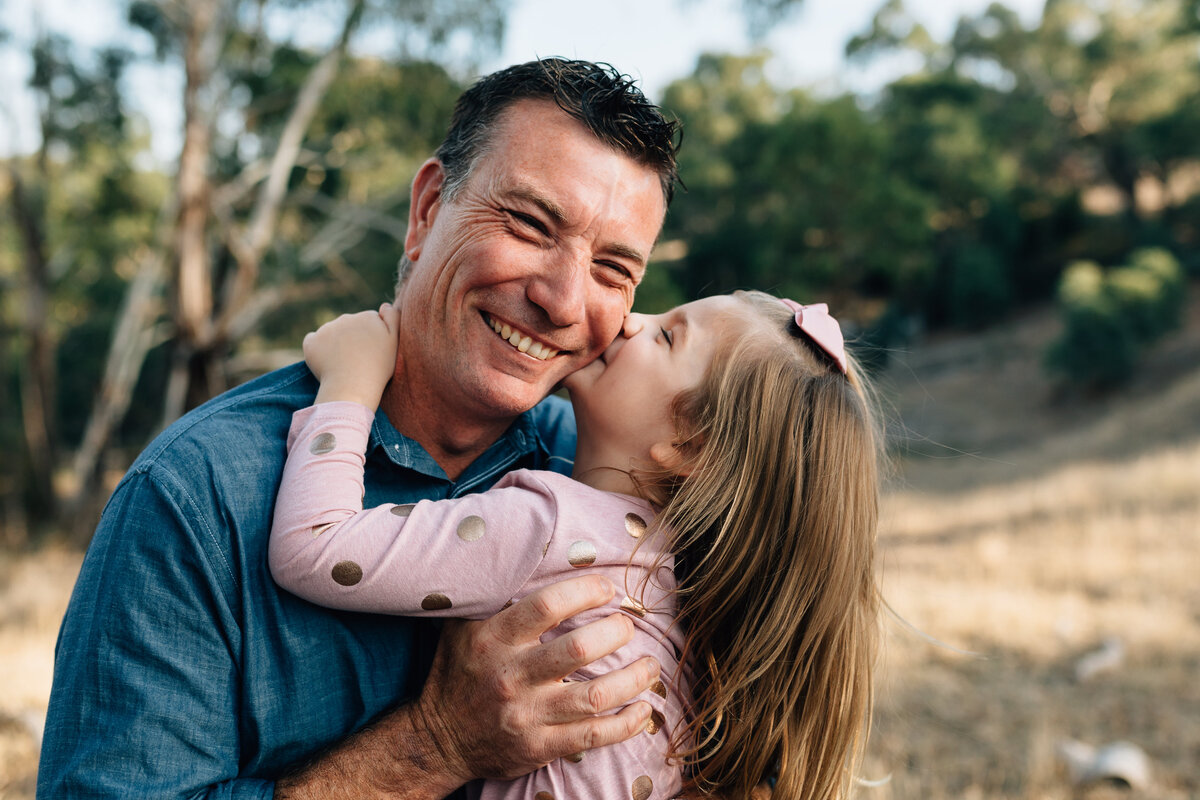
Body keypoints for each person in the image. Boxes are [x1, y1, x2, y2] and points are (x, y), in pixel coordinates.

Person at [38, 58, 681, 799]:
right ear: (428, 209)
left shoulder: (606, 470)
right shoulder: (198, 495)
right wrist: (434, 746)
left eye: (612, 270)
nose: (563, 301)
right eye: (531, 225)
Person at [268, 289, 883, 800]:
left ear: (689, 447)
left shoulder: (550, 529)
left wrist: (351, 380)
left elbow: (314, 548)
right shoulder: (672, 578)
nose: (630, 320)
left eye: (666, 337)